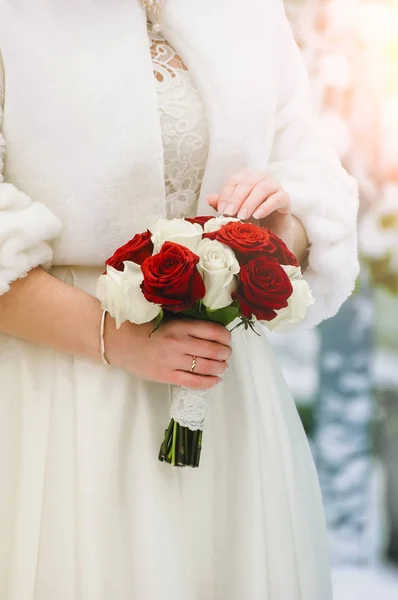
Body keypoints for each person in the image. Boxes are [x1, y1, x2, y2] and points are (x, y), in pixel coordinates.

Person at [0, 1, 359, 598]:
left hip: (224, 389)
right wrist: (117, 338)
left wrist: (276, 228)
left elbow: (311, 170)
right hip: (56, 388)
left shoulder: (248, 12)